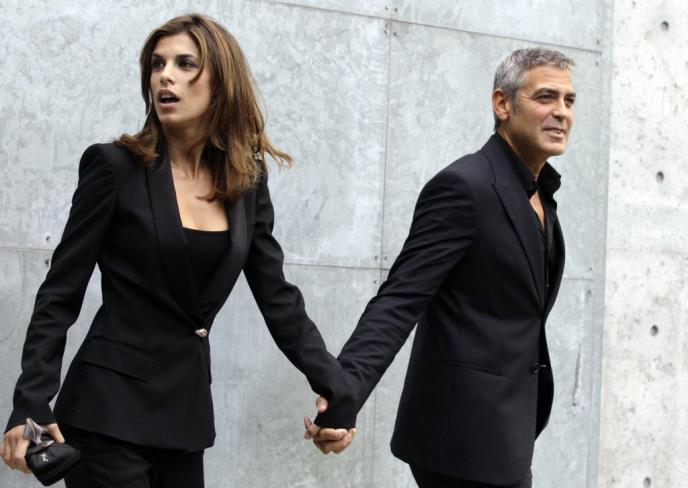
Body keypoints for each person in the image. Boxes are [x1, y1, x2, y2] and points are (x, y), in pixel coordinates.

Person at [2, 13, 355, 488]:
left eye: (185, 64)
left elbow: (279, 299)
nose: (165, 76)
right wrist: (30, 402)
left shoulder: (246, 182)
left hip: (183, 419)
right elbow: (60, 293)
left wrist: (337, 389)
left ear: (221, 82)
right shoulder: (114, 167)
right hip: (106, 412)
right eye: (157, 64)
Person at [306, 48, 577, 487]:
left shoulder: (539, 192)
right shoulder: (465, 187)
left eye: (569, 100)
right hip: (459, 440)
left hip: (506, 432)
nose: (561, 112)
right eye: (546, 97)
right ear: (502, 103)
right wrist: (344, 394)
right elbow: (400, 299)